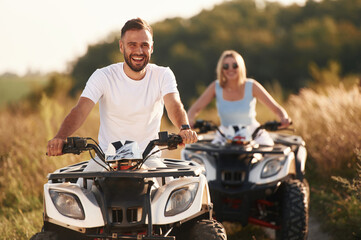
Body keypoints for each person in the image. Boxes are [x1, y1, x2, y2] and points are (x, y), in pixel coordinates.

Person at [47, 18, 197, 164]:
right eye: (132, 45)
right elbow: (81, 109)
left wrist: (184, 128)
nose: (139, 51)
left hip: (149, 159)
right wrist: (60, 137)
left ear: (151, 47)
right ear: (121, 46)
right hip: (106, 159)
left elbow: (174, 104)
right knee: (79, 187)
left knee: (171, 188)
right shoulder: (103, 76)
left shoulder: (163, 75)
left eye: (144, 45)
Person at [187, 50, 291, 145]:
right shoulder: (216, 86)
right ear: (221, 69)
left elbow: (276, 108)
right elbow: (194, 109)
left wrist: (284, 118)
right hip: (225, 134)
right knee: (202, 156)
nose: (230, 69)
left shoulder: (252, 85)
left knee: (271, 154)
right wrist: (189, 121)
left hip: (253, 132)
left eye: (235, 65)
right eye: (226, 66)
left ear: (241, 67)